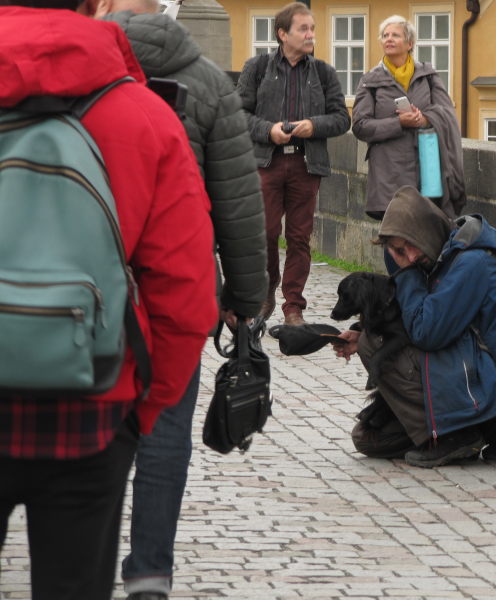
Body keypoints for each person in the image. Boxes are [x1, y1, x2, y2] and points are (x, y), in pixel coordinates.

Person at [0, 0, 219, 598]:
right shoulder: (142, 113)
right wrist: (140, 413)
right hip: (91, 406)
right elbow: (186, 292)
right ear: (93, 4)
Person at [93, 1, 269, 598]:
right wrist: (247, 296)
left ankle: (80, 557)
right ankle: (150, 572)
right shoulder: (208, 82)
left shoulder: (85, 67)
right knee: (166, 431)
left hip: (91, 278)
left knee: (92, 423)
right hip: (178, 279)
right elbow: (240, 202)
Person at [334, 186, 496, 468]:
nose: (408, 256)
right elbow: (412, 322)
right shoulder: (440, 257)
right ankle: (466, 432)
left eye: (408, 246)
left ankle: (461, 433)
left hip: (483, 382)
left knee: (373, 345)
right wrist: (362, 331)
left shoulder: (472, 263)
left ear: (423, 231)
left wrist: (405, 272)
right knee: (367, 438)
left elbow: (426, 332)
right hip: (459, 369)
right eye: (397, 251)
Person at [237, 1, 350, 327]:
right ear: (282, 34)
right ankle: (265, 294)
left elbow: (342, 119)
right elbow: (238, 115)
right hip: (266, 163)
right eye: (304, 29)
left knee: (300, 238)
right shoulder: (257, 68)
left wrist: (314, 126)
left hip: (306, 163)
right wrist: (268, 130)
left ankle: (293, 308)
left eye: (312, 28)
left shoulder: (324, 72)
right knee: (265, 234)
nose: (311, 34)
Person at [351, 15, 465, 224]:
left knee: (426, 235)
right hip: (389, 172)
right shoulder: (371, 81)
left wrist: (424, 119)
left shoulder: (428, 75)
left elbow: (447, 113)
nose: (389, 39)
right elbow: (360, 126)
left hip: (427, 168)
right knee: (395, 239)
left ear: (410, 43)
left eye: (395, 35)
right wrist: (399, 123)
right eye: (385, 35)